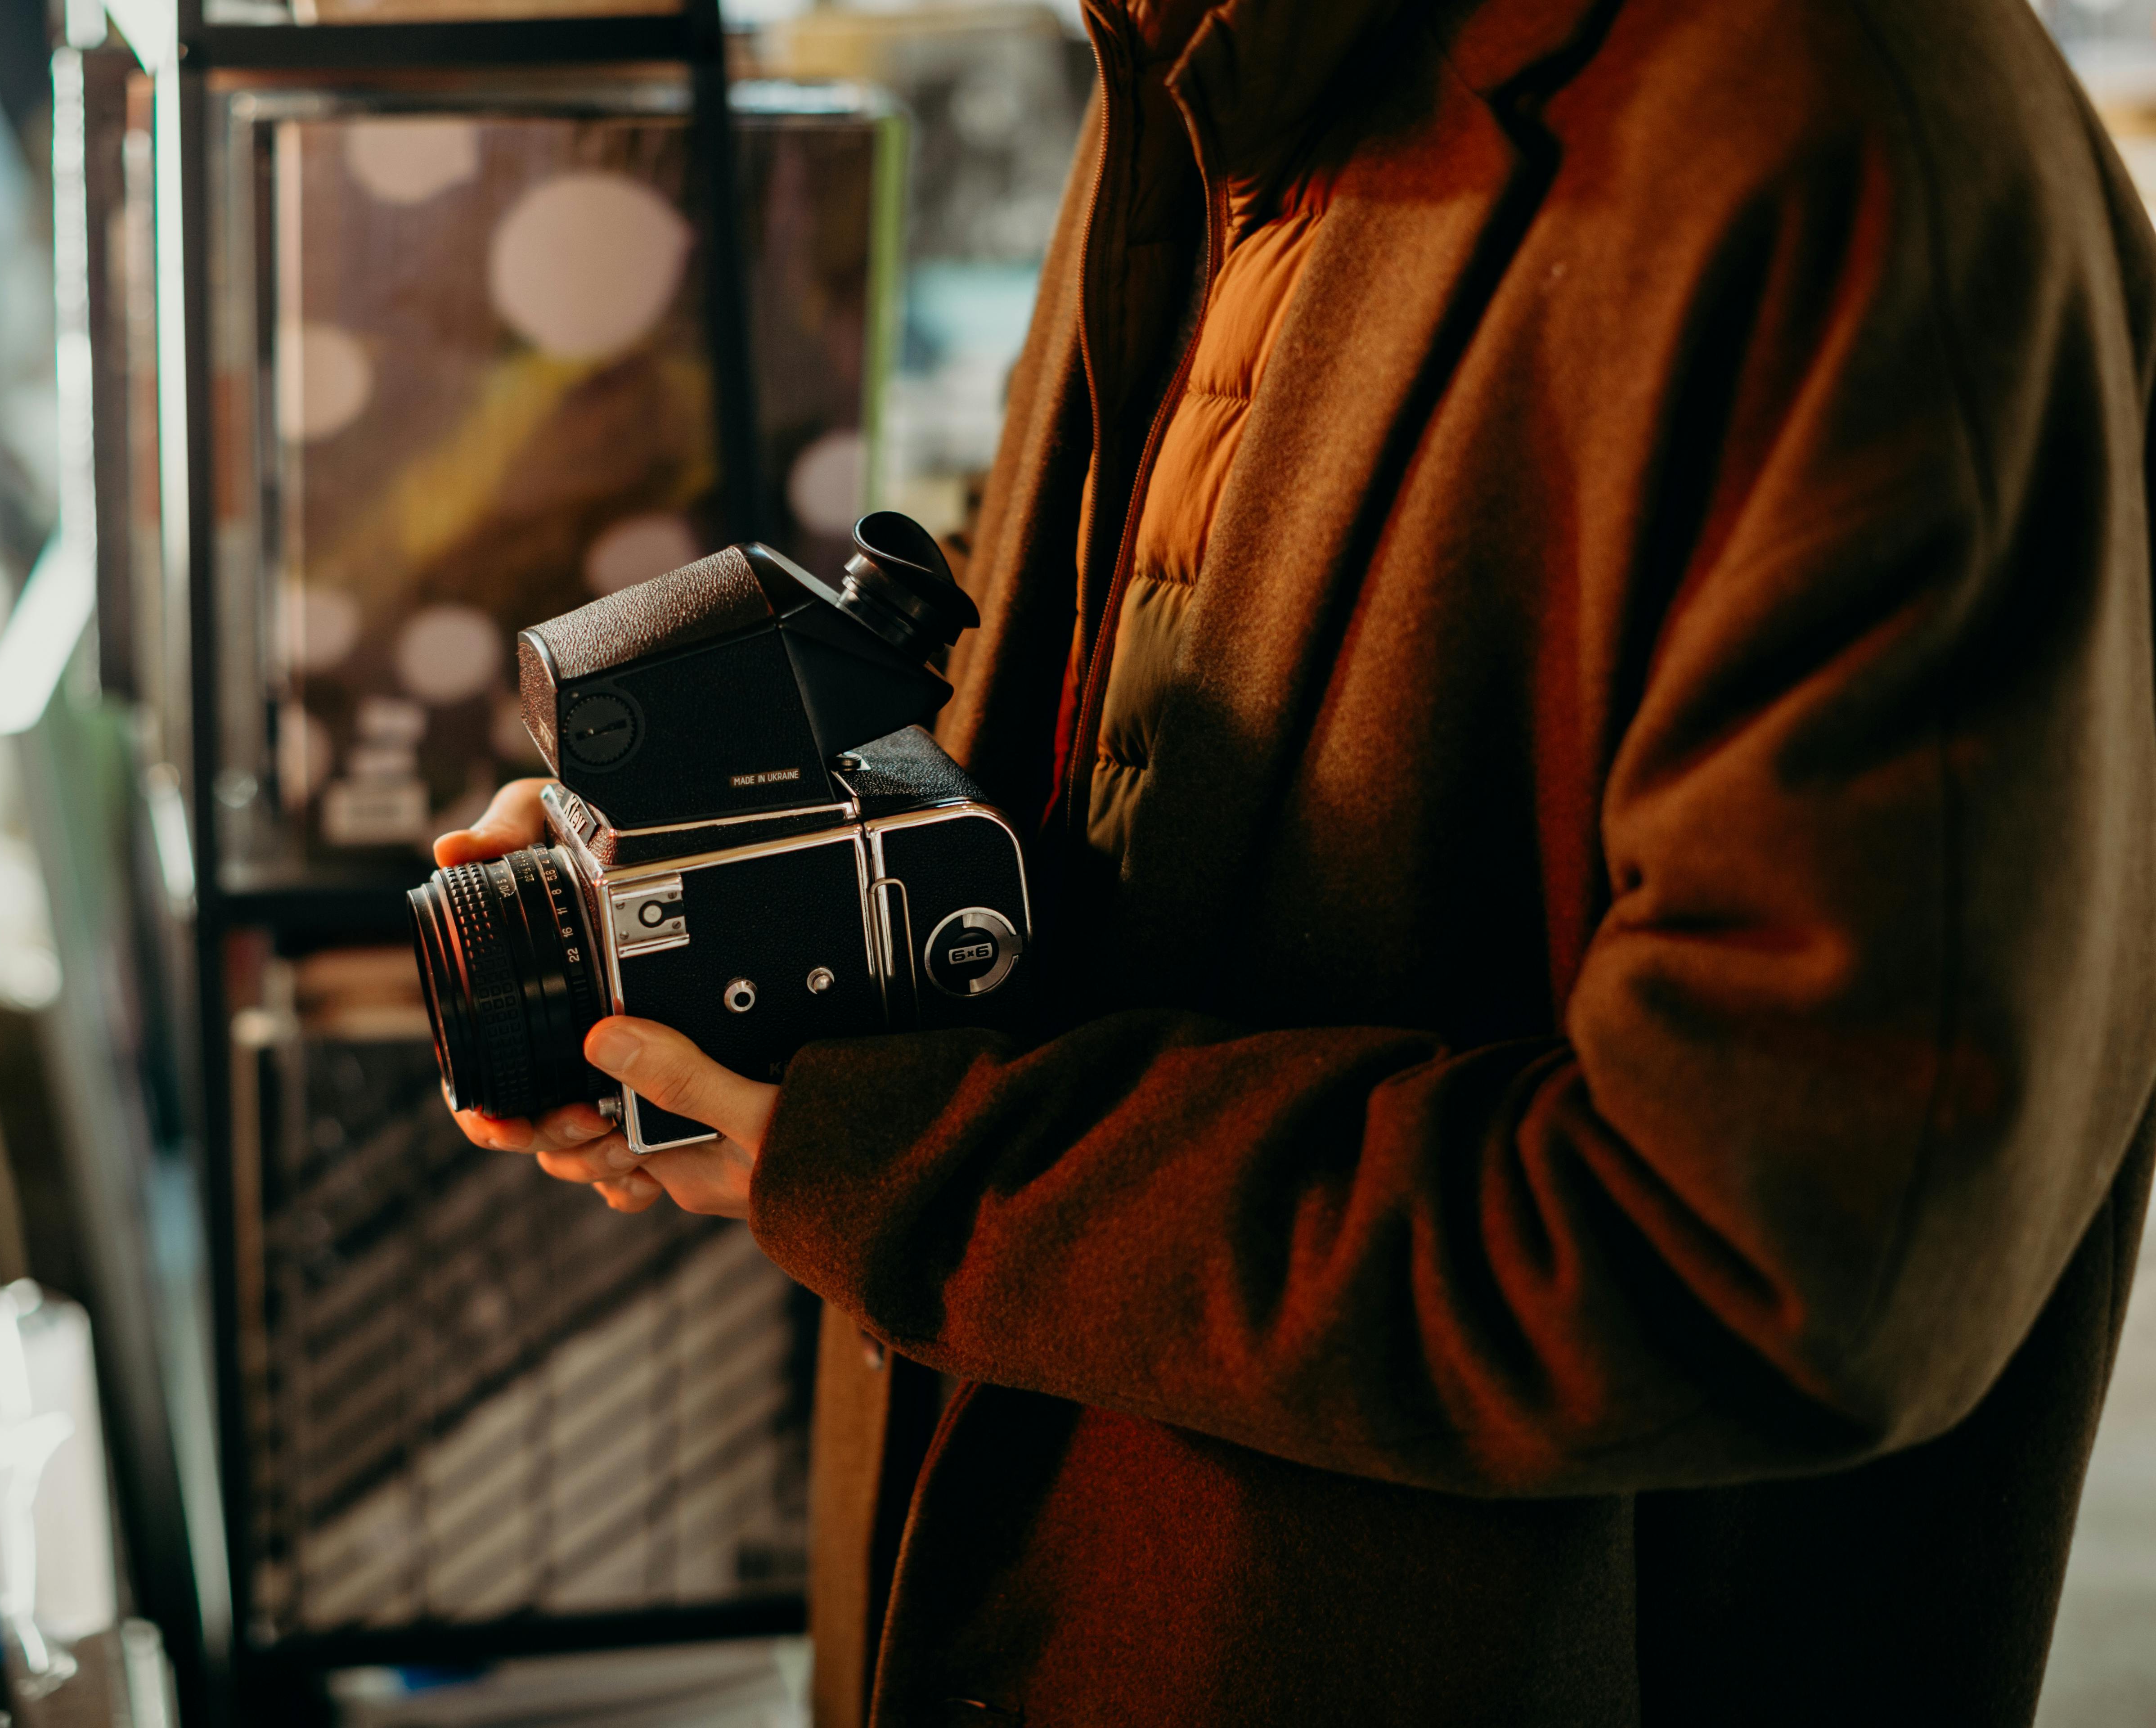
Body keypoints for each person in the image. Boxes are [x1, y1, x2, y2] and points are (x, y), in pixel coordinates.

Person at [436, 0, 2156, 1720]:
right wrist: (701, 851)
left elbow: (1770, 1259)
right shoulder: (1208, 57)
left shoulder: (1833, 140)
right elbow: (1141, 734)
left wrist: (922, 1172)